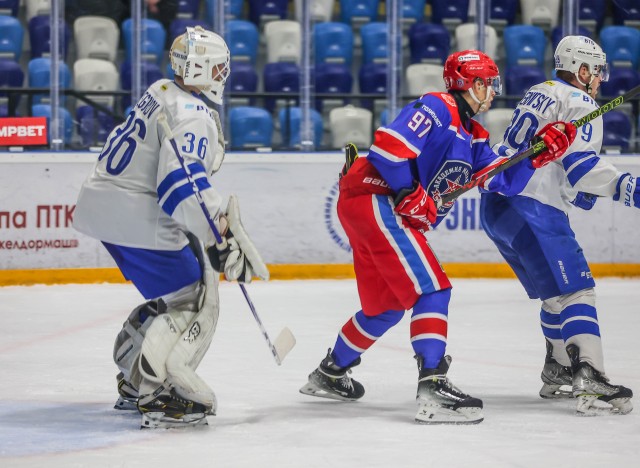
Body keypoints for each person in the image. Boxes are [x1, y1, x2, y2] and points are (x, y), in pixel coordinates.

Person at [299, 50, 576, 424]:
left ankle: (330, 372)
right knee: (434, 289)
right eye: (489, 83)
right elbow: (386, 147)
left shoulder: (475, 135)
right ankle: (433, 384)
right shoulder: (437, 107)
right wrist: (406, 192)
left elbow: (498, 180)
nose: (493, 91)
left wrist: (537, 155)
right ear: (472, 83)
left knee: (387, 306)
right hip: (376, 199)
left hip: (373, 208)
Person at [73, 26, 268, 428]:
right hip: (136, 217)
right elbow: (180, 186)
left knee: (175, 296)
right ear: (204, 70)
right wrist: (220, 236)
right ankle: (161, 391)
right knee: (195, 301)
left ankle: (133, 382)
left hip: (106, 205)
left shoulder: (162, 89)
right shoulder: (194, 114)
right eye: (219, 67)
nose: (223, 74)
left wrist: (216, 232)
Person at [479, 35, 636, 415]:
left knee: (554, 294)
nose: (600, 79)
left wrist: (576, 191)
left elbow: (557, 163)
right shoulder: (581, 102)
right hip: (534, 205)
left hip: (498, 205)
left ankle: (559, 370)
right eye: (596, 71)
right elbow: (580, 167)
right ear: (581, 70)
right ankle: (591, 377)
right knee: (577, 291)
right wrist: (626, 187)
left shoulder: (541, 90)